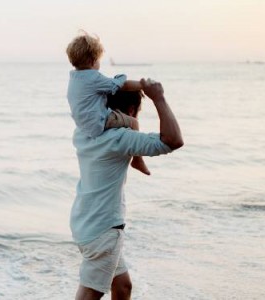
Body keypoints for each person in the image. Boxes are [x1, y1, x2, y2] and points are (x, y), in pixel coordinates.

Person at [70, 78, 183, 300]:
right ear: (131, 110)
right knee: (89, 293)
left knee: (122, 286)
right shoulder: (120, 139)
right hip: (104, 229)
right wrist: (158, 98)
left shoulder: (85, 132)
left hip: (84, 223)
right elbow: (173, 140)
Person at [66, 31, 151, 176]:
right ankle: (137, 160)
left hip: (82, 124)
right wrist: (127, 78)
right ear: (93, 61)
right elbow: (119, 85)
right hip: (98, 123)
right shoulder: (93, 77)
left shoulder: (74, 78)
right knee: (134, 123)